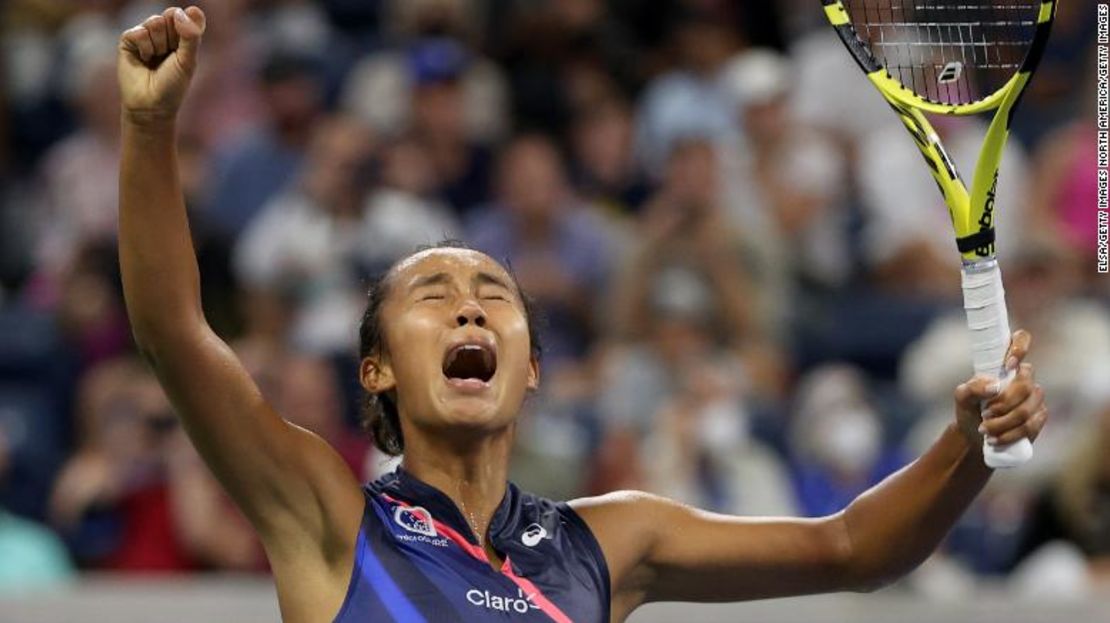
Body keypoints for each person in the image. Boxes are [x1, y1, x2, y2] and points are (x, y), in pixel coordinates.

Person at [117, 8, 1049, 622]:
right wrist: (151, 131)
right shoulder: (328, 518)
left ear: (529, 367)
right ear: (378, 370)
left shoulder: (609, 542)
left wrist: (966, 444)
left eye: (494, 298)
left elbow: (851, 548)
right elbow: (172, 330)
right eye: (433, 298)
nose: (469, 309)